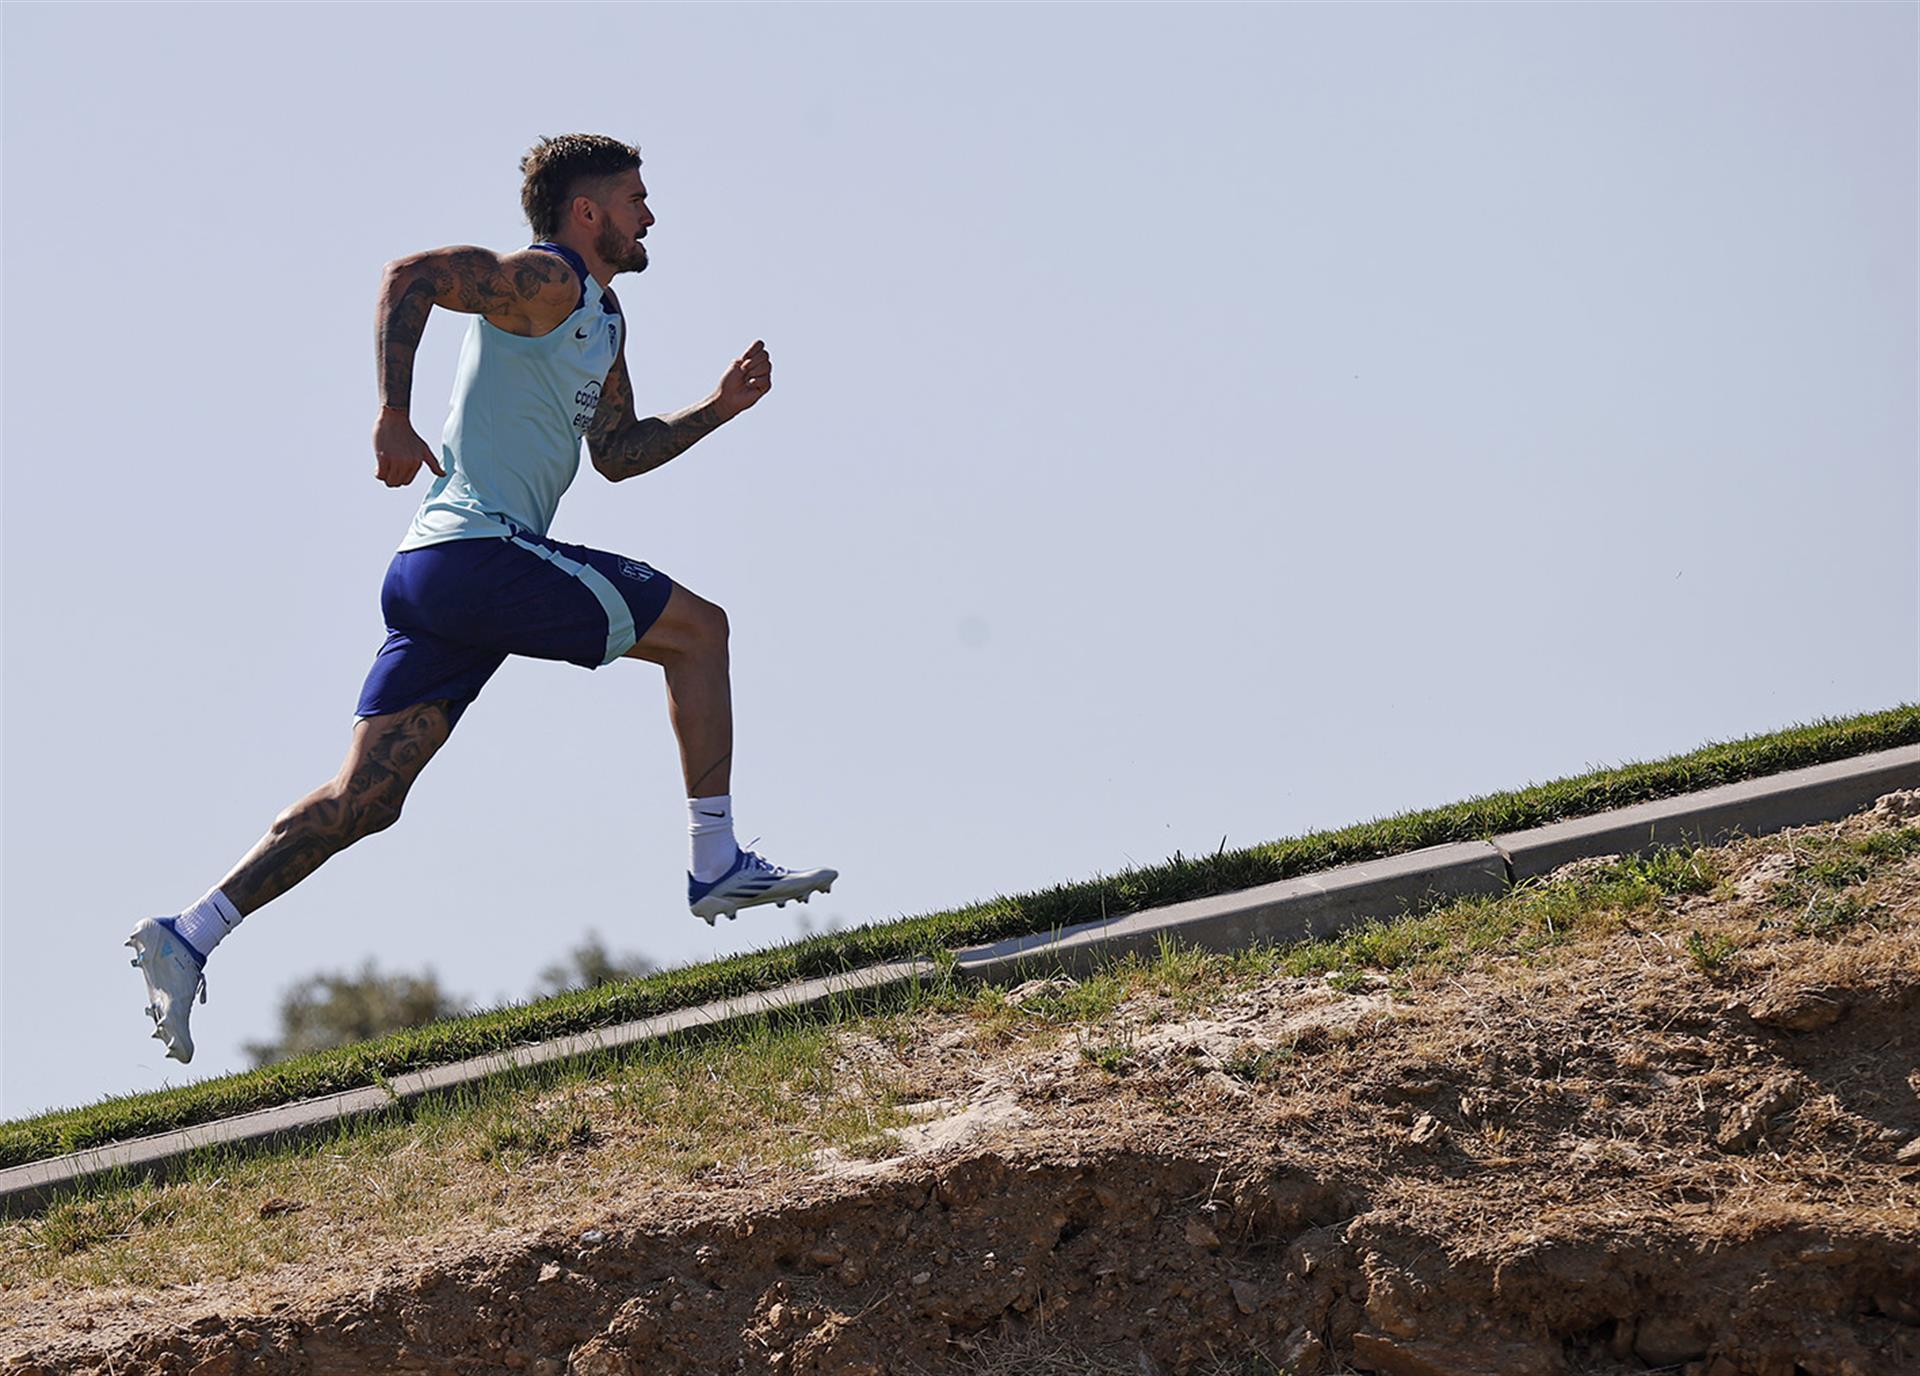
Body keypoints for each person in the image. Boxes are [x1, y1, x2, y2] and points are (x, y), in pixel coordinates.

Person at [128, 134, 836, 1064]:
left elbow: (617, 456)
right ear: (587, 213)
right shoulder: (544, 281)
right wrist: (391, 411)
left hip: (440, 576)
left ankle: (190, 933)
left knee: (365, 799)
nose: (649, 215)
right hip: (477, 556)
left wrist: (718, 407)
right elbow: (412, 274)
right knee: (700, 633)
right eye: (634, 198)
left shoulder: (603, 317)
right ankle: (716, 861)